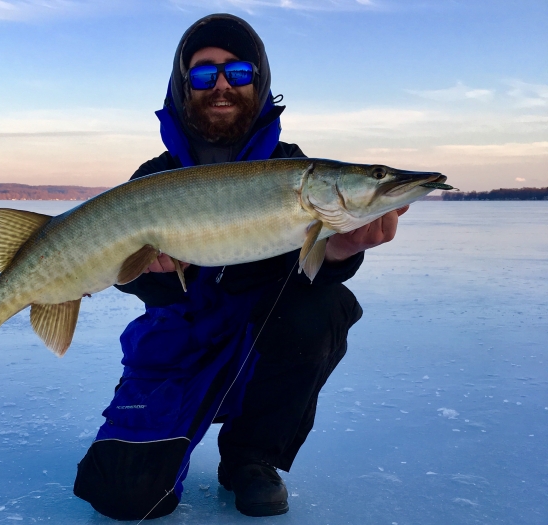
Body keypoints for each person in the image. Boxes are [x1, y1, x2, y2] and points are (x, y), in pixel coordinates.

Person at [74, 13, 408, 520]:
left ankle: (252, 458)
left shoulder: (294, 167)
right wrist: (150, 275)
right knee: (126, 497)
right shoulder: (154, 178)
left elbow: (305, 281)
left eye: (240, 72)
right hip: (179, 343)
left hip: (263, 344)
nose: (223, 84)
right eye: (204, 74)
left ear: (261, 80)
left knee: (324, 307)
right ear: (184, 86)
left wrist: (338, 253)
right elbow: (132, 282)